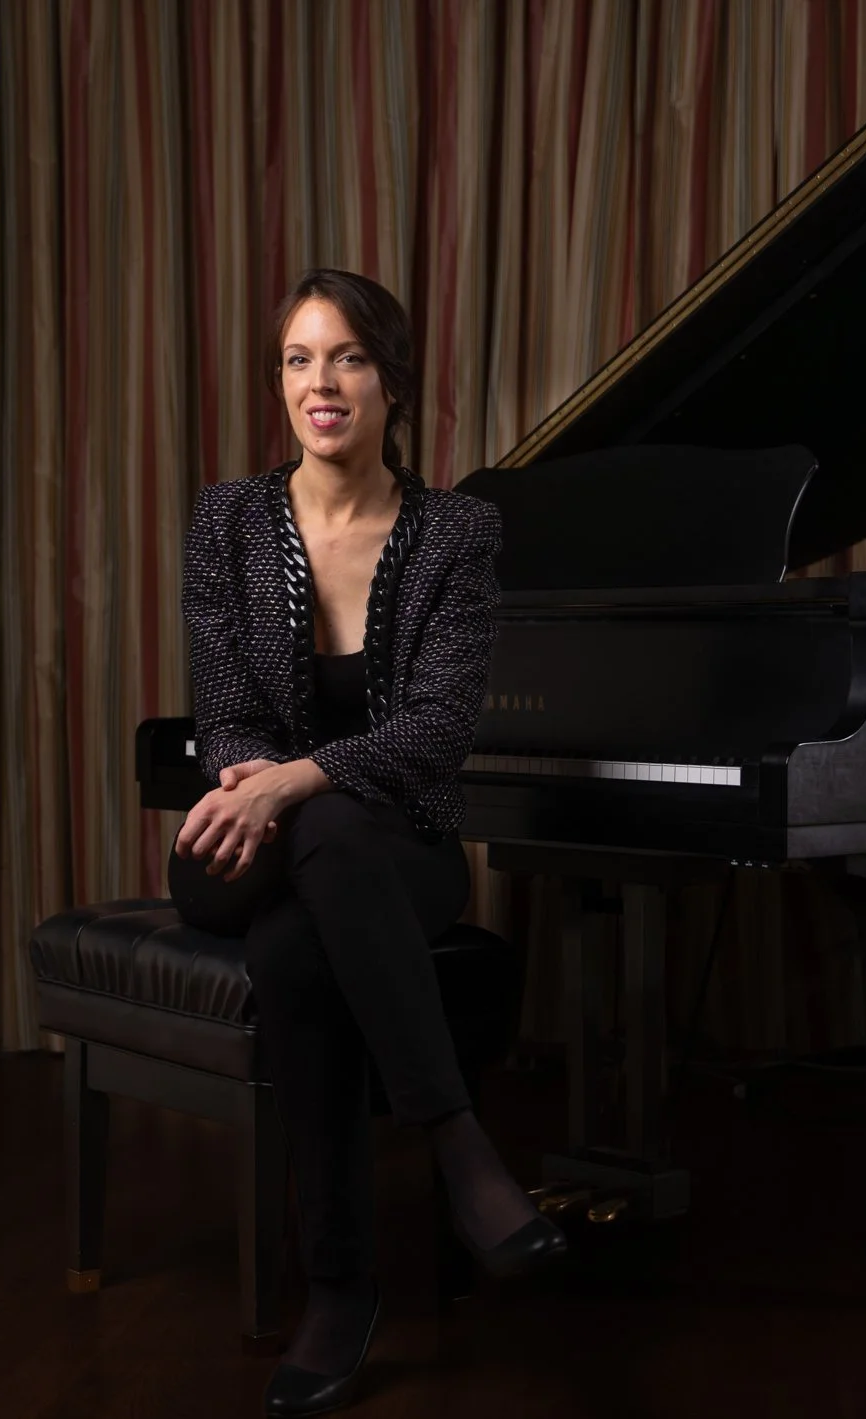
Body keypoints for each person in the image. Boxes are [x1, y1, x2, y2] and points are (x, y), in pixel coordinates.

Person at [167, 268, 565, 1416]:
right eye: (298, 360)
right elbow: (224, 710)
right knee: (318, 838)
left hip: (397, 851)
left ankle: (340, 1292)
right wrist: (259, 785)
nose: (321, 383)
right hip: (233, 846)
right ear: (279, 384)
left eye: (346, 357)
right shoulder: (227, 520)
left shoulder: (455, 533)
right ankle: (457, 1145)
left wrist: (298, 781)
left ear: (391, 380)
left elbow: (437, 731)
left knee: (301, 942)